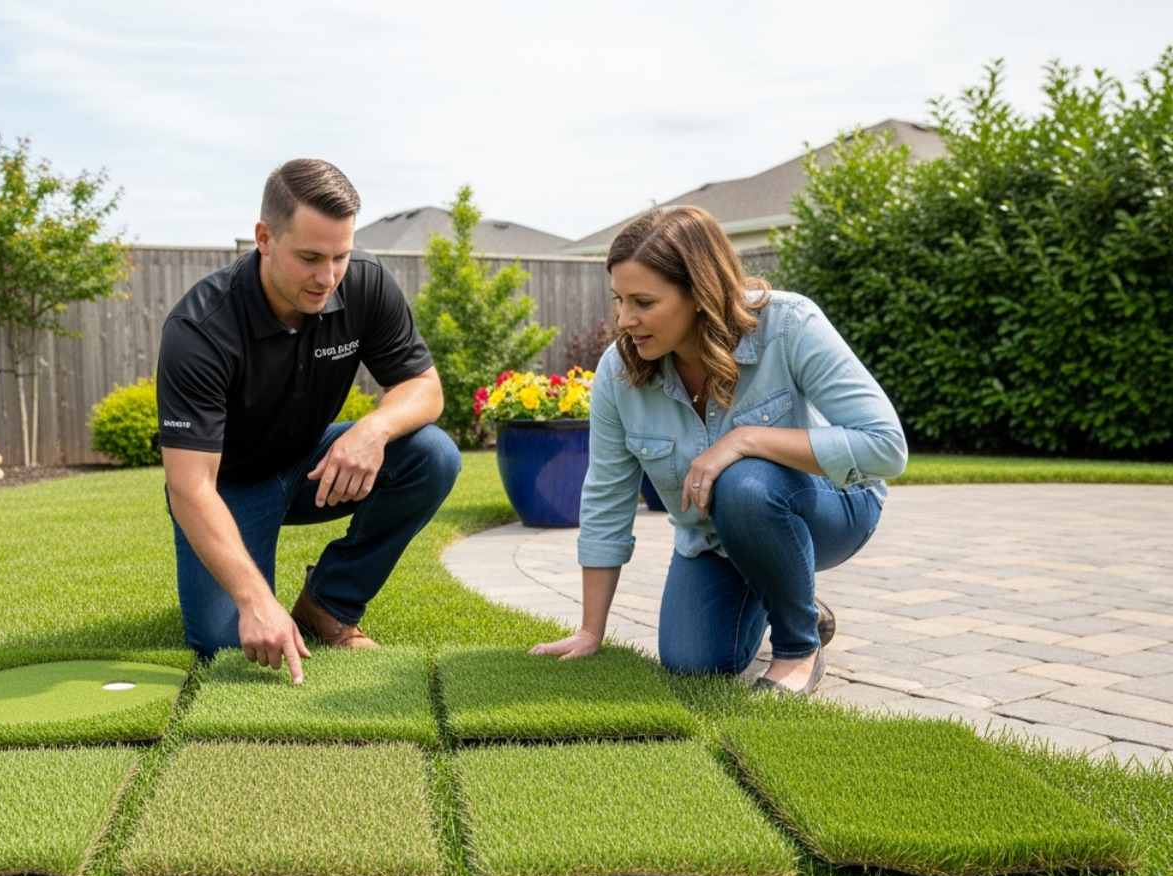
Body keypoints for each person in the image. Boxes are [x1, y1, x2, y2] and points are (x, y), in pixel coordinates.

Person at [531, 206, 907, 694]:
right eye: (619, 300)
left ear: (701, 294)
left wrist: (745, 439)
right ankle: (794, 596)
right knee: (694, 663)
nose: (625, 320)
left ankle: (798, 648)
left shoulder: (789, 325)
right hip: (714, 538)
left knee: (745, 482)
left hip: (830, 507)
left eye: (643, 302)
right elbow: (606, 495)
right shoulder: (618, 372)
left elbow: (885, 448)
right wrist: (590, 629)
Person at [157, 158, 460, 683]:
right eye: (310, 257)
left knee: (433, 455)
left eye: (340, 255)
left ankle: (328, 602)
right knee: (230, 649)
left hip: (311, 465)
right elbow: (188, 487)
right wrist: (255, 600)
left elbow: (425, 388)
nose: (328, 277)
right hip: (227, 485)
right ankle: (257, 594)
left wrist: (373, 429)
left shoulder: (365, 285)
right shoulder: (200, 328)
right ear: (265, 237)